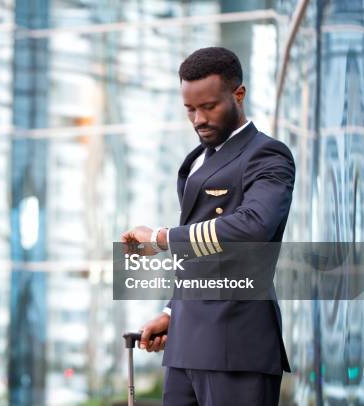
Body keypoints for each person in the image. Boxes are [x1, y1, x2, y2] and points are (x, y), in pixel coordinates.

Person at [120, 47, 294, 406]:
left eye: (209, 106)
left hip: (236, 344)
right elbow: (203, 257)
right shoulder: (197, 159)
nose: (199, 118)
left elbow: (254, 227)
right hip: (187, 343)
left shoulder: (266, 154)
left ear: (238, 94)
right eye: (190, 109)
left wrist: (161, 238)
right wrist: (173, 312)